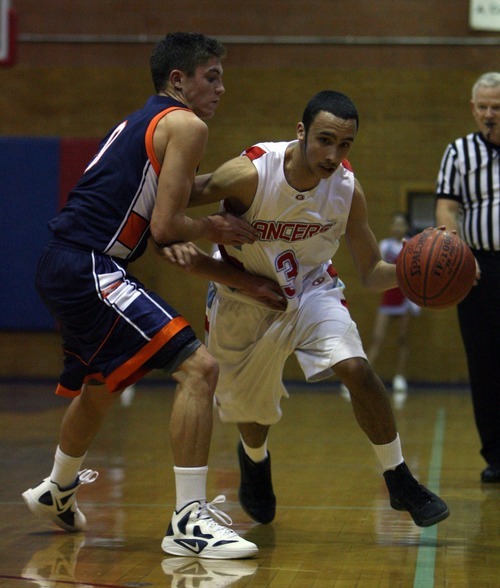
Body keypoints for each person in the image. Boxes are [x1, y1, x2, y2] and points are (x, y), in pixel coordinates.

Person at [21, 32, 285, 560]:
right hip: (89, 264)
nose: (221, 88)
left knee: (100, 383)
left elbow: (166, 228)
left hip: (68, 262)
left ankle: (56, 489)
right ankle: (189, 520)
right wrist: (211, 227)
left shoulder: (144, 120)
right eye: (212, 76)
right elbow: (168, 229)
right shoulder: (187, 124)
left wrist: (238, 271)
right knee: (200, 369)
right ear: (178, 80)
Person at [169, 90, 450, 528]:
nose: (333, 154)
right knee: (252, 416)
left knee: (356, 368)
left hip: (311, 291)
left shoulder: (346, 191)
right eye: (324, 140)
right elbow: (173, 202)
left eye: (345, 145)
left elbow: (373, 271)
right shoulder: (250, 174)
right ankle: (255, 460)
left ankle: (398, 477)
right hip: (241, 299)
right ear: (300, 132)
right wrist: (203, 229)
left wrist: (419, 268)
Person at [435, 72, 500, 484]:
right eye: (484, 107)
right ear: (473, 109)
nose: (490, 114)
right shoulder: (458, 153)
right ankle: (495, 455)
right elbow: (446, 209)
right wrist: (458, 254)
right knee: (484, 365)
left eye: (497, 106)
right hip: (479, 271)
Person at [365, 212, 421, 402]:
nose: (398, 228)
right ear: (391, 227)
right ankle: (362, 379)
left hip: (405, 299)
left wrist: (415, 301)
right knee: (377, 339)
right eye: (395, 224)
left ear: (406, 227)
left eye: (401, 225)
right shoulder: (385, 245)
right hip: (388, 298)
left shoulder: (413, 245)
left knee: (403, 339)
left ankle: (400, 377)